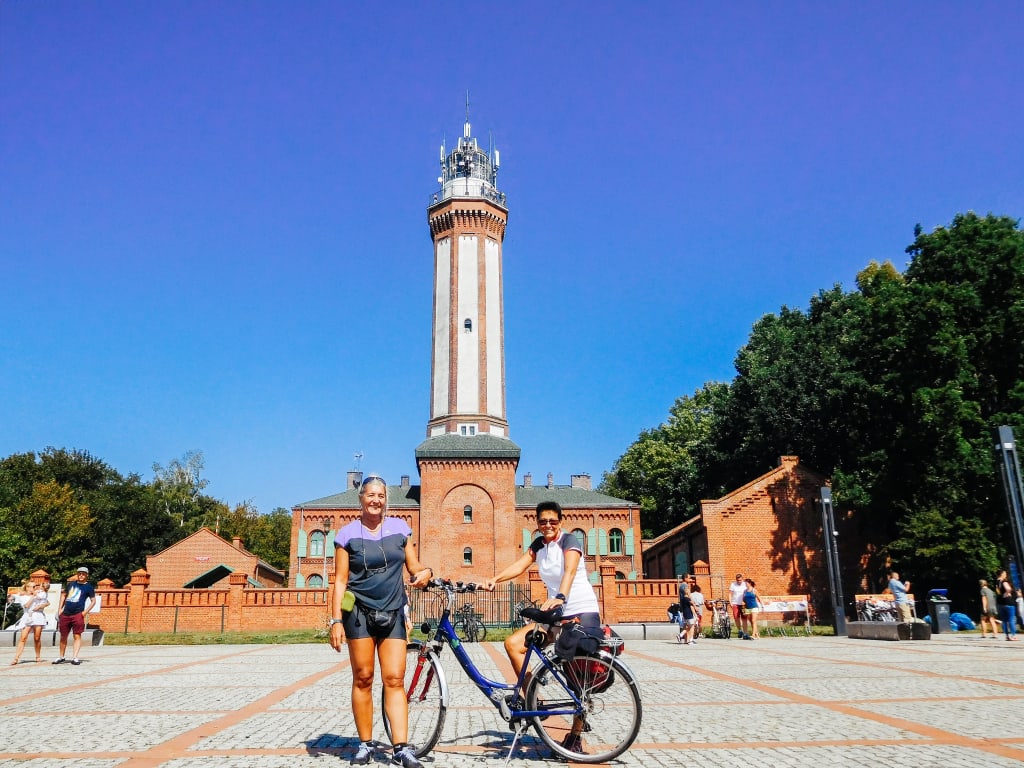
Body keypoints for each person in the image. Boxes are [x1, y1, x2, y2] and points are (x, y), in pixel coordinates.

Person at [328, 475, 434, 768]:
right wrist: (335, 620)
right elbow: (339, 580)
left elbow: (413, 566)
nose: (376, 500)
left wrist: (425, 573)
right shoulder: (346, 534)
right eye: (370, 495)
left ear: (386, 499)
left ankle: (401, 748)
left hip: (394, 610)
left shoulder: (400, 528)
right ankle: (365, 745)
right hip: (358, 612)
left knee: (395, 679)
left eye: (381, 496)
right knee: (363, 678)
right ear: (360, 498)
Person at [482, 500, 601, 755]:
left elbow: (569, 571)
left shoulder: (569, 541)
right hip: (555, 615)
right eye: (542, 521)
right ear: (536, 523)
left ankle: (576, 736)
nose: (547, 525)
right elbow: (520, 565)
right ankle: (538, 702)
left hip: (580, 611)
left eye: (552, 521)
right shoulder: (539, 545)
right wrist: (495, 578)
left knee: (576, 672)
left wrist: (560, 596)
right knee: (514, 644)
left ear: (560, 521)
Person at [53, 567, 95, 665]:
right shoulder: (71, 584)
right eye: (79, 573)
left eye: (83, 574)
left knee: (77, 635)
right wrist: (60, 609)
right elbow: (63, 595)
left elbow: (93, 601)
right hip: (66, 613)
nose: (81, 575)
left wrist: (85, 612)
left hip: (78, 614)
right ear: (77, 574)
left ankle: (75, 657)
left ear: (87, 575)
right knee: (63, 636)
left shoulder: (88, 587)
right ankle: (61, 656)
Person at [11, 576, 49, 664]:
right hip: (27, 616)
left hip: (38, 616)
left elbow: (47, 602)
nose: (35, 588)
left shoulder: (40, 594)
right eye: (33, 586)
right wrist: (33, 597)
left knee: (37, 638)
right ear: (28, 588)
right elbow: (26, 606)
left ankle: (38, 656)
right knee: (23, 637)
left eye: (36, 586)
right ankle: (16, 657)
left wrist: (42, 605)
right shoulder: (23, 596)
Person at [995, 569, 1018, 642]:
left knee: (1004, 620)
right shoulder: (1004, 581)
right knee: (1011, 619)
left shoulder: (996, 582)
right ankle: (1013, 635)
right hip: (1008, 602)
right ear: (1001, 574)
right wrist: (1006, 593)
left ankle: (1007, 635)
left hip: (1000, 603)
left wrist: (1001, 595)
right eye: (1004, 573)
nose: (1006, 574)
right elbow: (1008, 589)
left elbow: (998, 592)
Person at [729, 573, 748, 639]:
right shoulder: (733, 584)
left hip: (743, 604)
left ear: (742, 579)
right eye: (738, 580)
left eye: (740, 580)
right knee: (736, 617)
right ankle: (740, 630)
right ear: (736, 580)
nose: (739, 581)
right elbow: (730, 594)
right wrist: (730, 602)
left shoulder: (745, 584)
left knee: (744, 618)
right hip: (735, 603)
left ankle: (745, 632)